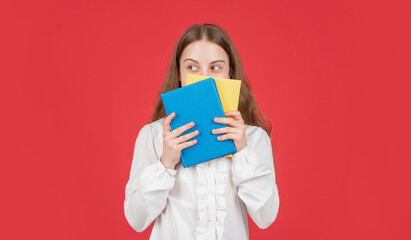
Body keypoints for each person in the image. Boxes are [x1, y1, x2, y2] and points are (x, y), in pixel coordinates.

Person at [124, 23, 280, 240]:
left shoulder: (253, 138)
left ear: (229, 73)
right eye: (192, 67)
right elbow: (136, 219)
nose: (205, 77)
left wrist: (243, 153)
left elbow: (266, 216)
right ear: (179, 73)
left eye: (215, 67)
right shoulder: (152, 136)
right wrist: (166, 164)